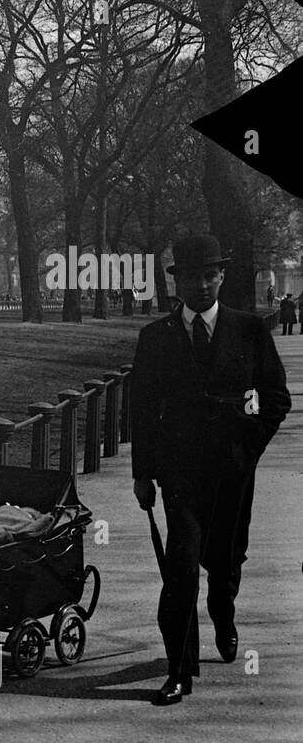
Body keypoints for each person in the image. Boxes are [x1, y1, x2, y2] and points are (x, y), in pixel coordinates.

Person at [130, 234, 291, 706]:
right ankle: (180, 670)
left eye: (209, 275)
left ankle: (223, 612)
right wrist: (143, 474)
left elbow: (276, 398)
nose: (201, 285)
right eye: (191, 277)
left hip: (232, 471)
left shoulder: (249, 331)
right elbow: (141, 410)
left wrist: (249, 445)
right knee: (180, 570)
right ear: (176, 282)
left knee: (225, 560)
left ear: (221, 276)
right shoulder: (155, 337)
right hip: (179, 473)